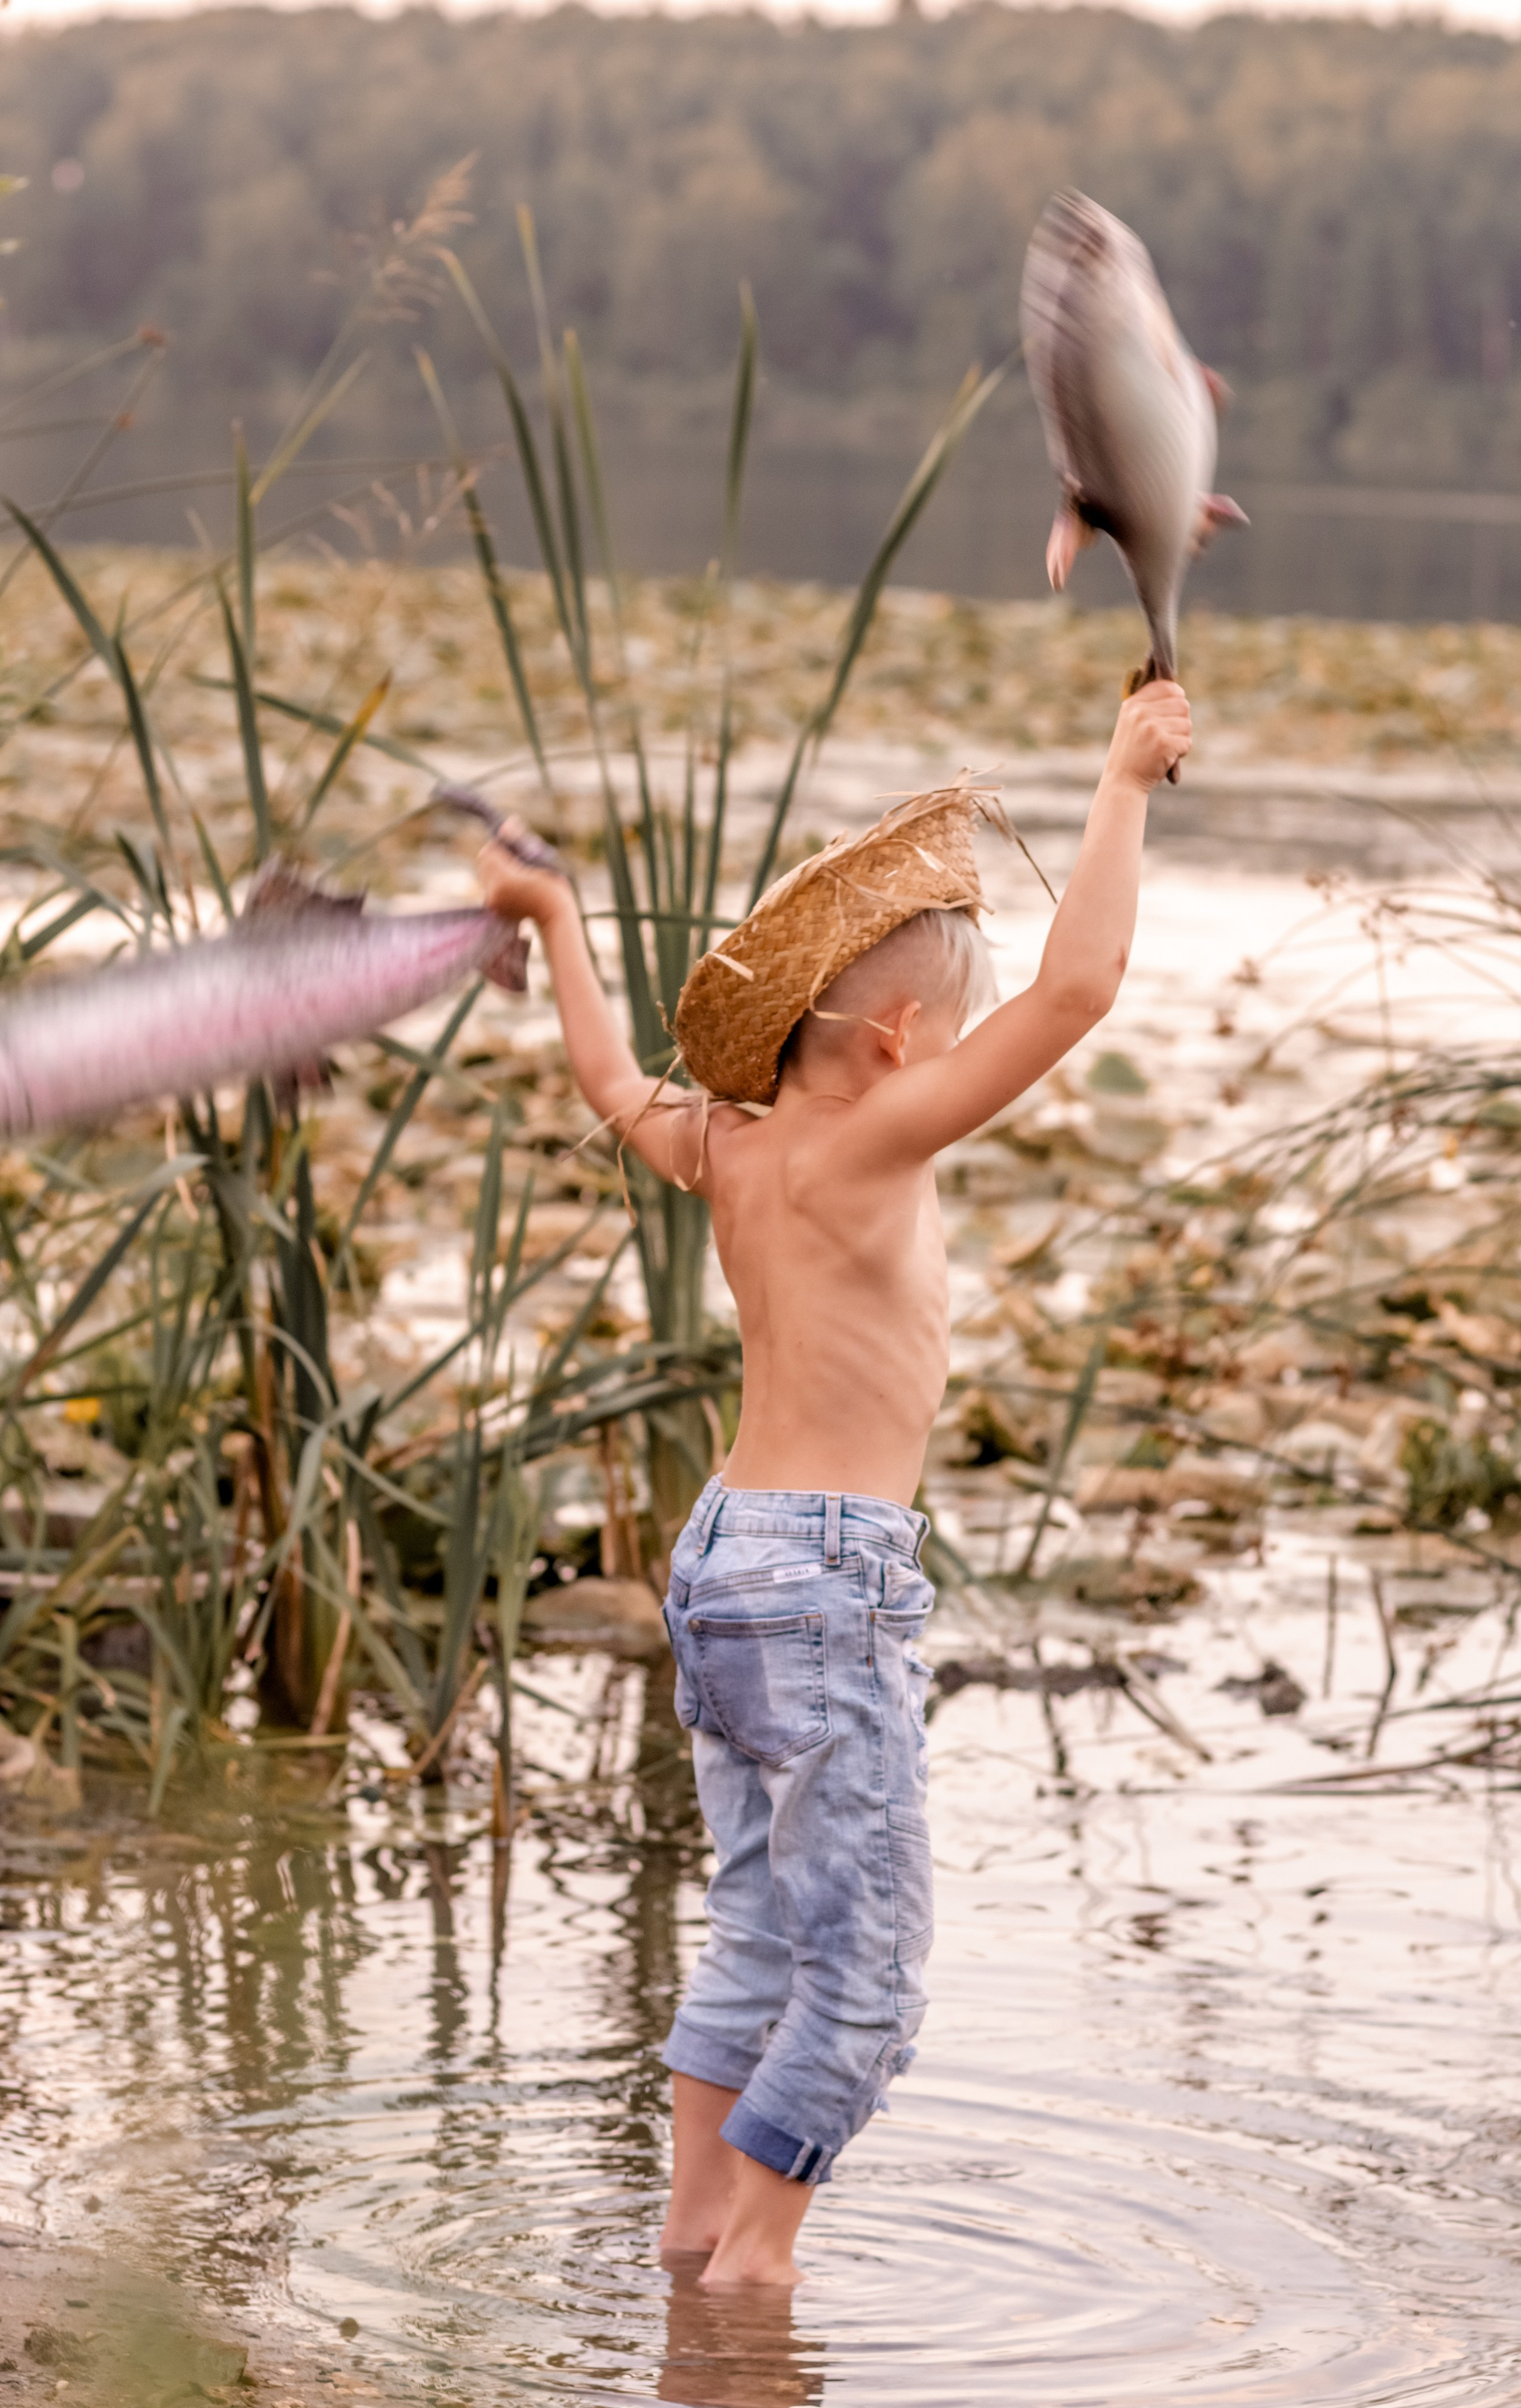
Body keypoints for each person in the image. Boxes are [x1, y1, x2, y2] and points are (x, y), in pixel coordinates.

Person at [477, 678, 1191, 2287]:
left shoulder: (730, 1148)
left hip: (722, 1556)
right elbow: (1078, 991)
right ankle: (753, 2281)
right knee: (861, 1975)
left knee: (754, 1929)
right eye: (956, 1018)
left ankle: (687, 2247)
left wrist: (552, 911)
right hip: (825, 1571)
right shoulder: (880, 1142)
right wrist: (1122, 781)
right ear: (896, 1040)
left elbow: (603, 1083)